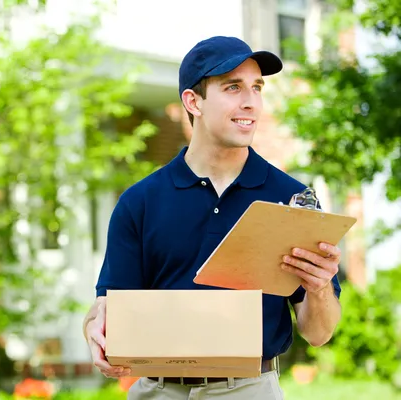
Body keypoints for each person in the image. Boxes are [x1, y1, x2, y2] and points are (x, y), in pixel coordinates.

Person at [82, 36, 343, 399]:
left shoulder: (292, 199)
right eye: (233, 87)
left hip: (250, 390)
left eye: (256, 87)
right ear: (194, 101)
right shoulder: (139, 202)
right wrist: (93, 326)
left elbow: (318, 333)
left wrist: (320, 288)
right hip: (158, 391)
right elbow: (109, 305)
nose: (251, 102)